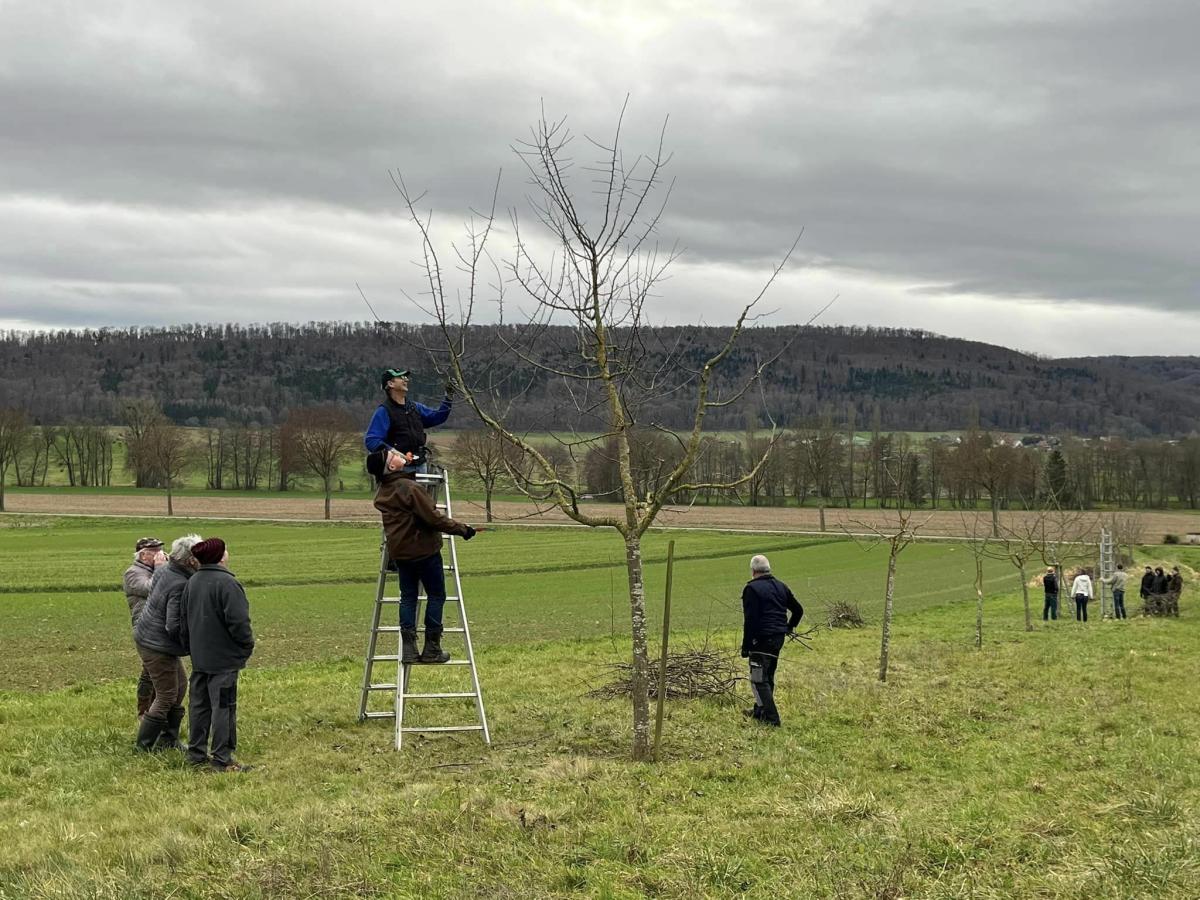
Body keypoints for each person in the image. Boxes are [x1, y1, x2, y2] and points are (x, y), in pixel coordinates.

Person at [374, 467, 477, 663]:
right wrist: (463, 529)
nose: (399, 455)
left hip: (401, 553)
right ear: (390, 466)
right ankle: (432, 648)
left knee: (408, 597)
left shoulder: (383, 491)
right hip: (424, 550)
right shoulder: (410, 488)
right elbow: (434, 518)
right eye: (393, 456)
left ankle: (409, 649)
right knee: (437, 595)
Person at [179, 538, 255, 773]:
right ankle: (222, 758)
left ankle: (196, 753)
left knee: (199, 706)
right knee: (224, 707)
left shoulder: (192, 582)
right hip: (223, 660)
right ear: (221, 557)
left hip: (200, 657)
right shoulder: (228, 583)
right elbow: (239, 622)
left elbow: (183, 622)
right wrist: (245, 646)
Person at [132, 534, 201, 752]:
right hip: (156, 645)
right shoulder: (181, 583)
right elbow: (173, 625)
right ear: (190, 560)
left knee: (180, 686)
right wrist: (190, 646)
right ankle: (144, 746)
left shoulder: (164, 570)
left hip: (150, 638)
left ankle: (168, 739)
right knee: (167, 694)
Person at [740, 554, 803, 727]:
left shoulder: (751, 589)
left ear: (753, 571)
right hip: (777, 638)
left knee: (758, 679)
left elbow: (750, 620)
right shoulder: (781, 586)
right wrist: (789, 627)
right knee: (768, 676)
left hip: (760, 640)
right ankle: (759, 711)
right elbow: (798, 610)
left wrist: (746, 646)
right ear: (768, 569)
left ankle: (771, 719)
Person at [364, 367, 453, 476]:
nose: (406, 380)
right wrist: (396, 453)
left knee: (419, 493)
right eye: (401, 377)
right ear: (390, 384)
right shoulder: (384, 411)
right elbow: (371, 440)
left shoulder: (415, 408)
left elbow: (438, 417)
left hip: (420, 464)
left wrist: (448, 397)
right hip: (398, 469)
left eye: (406, 377)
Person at [124, 537, 167, 719]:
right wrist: (160, 569)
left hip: (158, 626)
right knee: (149, 671)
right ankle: (144, 711)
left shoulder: (152, 570)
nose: (161, 554)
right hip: (144, 628)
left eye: (160, 550)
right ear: (143, 555)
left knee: (155, 670)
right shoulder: (132, 573)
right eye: (155, 551)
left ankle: (156, 710)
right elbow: (152, 589)